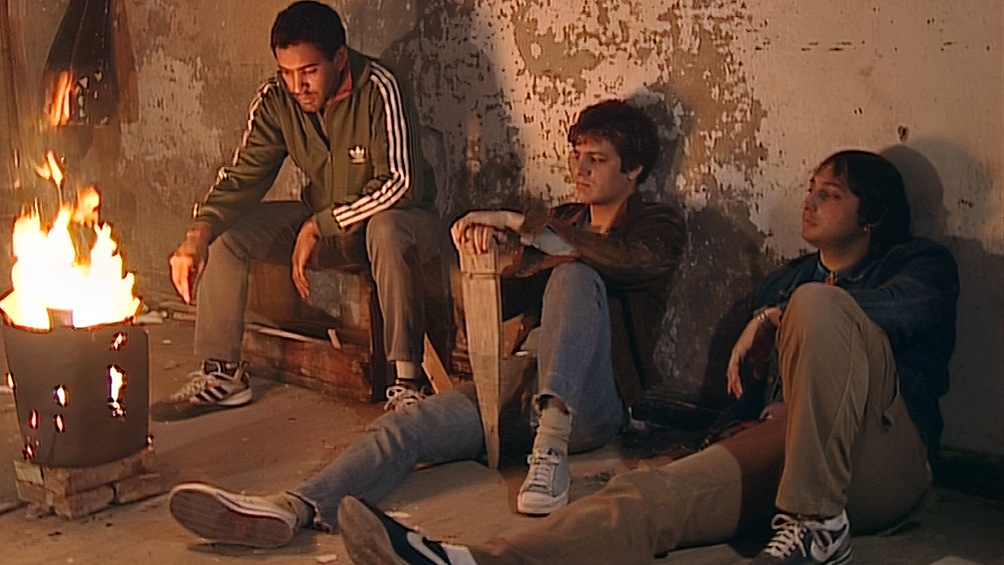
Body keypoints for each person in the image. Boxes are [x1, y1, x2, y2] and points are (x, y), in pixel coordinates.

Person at [335, 150, 960, 565]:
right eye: (811, 189)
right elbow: (747, 395)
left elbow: (901, 315)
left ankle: (818, 526)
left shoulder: (918, 267)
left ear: (872, 216)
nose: (811, 202)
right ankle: (473, 560)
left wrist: (779, 316)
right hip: (790, 451)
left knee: (817, 307)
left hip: (879, 463)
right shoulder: (785, 279)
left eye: (831, 194)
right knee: (645, 496)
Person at [165, 99, 687, 547]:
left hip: (592, 404)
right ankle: (293, 507)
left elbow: (630, 262)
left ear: (633, 171)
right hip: (519, 386)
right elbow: (507, 302)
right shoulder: (564, 218)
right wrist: (493, 254)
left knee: (576, 277)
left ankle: (550, 452)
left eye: (598, 159)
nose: (582, 169)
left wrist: (521, 224)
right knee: (407, 426)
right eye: (578, 157)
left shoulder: (657, 224)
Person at [154, 1, 441, 420]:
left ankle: (408, 383)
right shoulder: (277, 99)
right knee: (227, 233)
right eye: (287, 72)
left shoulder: (380, 87)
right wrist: (197, 235)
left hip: (401, 226)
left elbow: (400, 182)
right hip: (322, 226)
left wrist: (320, 224)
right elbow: (243, 176)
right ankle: (223, 373)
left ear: (339, 59)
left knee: (387, 228)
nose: (297, 85)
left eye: (309, 71)